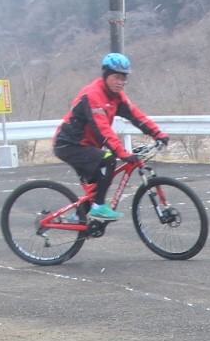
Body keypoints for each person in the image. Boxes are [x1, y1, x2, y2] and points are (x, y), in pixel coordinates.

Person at [52, 52, 168, 222]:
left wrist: (157, 134)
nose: (120, 82)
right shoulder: (93, 95)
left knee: (96, 187)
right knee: (108, 159)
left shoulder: (117, 97)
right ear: (106, 75)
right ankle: (98, 207)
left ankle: (79, 216)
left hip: (86, 146)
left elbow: (137, 116)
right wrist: (122, 152)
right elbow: (103, 129)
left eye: (123, 78)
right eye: (116, 77)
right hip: (69, 144)